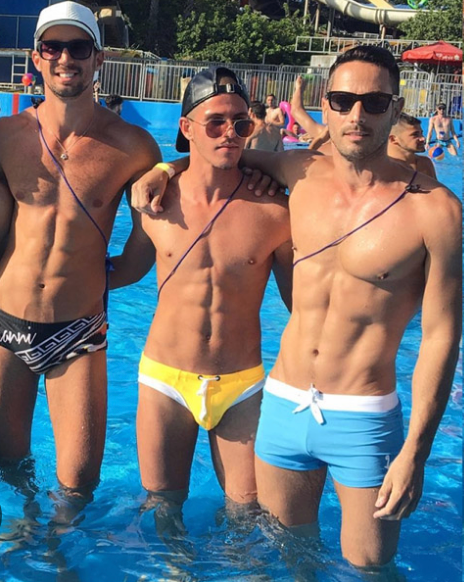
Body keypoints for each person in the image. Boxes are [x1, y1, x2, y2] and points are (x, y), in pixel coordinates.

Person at [132, 46, 461, 567]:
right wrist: (161, 168)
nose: (357, 115)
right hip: (284, 405)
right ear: (325, 108)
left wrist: (415, 453)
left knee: (370, 568)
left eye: (375, 103)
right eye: (343, 100)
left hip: (363, 415)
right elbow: (218, 155)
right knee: (285, 559)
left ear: (396, 109)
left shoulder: (436, 210)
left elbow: (441, 337)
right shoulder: (298, 172)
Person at [0, 1, 162, 493]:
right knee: (6, 465)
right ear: (37, 57)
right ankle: (25, 525)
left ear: (99, 58)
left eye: (78, 47)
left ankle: (59, 542)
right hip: (6, 323)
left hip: (79, 330)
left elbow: (145, 244)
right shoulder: (6, 138)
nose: (65, 58)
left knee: (79, 481)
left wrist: (98, 277)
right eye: (53, 47)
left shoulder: (134, 147)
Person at [119, 66, 292, 517]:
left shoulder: (275, 210)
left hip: (241, 383)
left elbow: (303, 304)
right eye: (215, 122)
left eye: (240, 123)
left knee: (248, 514)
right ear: (186, 127)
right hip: (165, 379)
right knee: (162, 508)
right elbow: (128, 269)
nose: (229, 133)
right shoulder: (153, 203)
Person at [388, 112, 437, 178]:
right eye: (415, 134)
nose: (423, 138)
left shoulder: (424, 163)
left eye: (421, 133)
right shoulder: (382, 169)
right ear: (393, 139)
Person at [291, 76, 331, 153]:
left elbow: (296, 110)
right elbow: (296, 110)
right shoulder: (329, 135)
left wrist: (299, 88)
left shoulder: (328, 135)